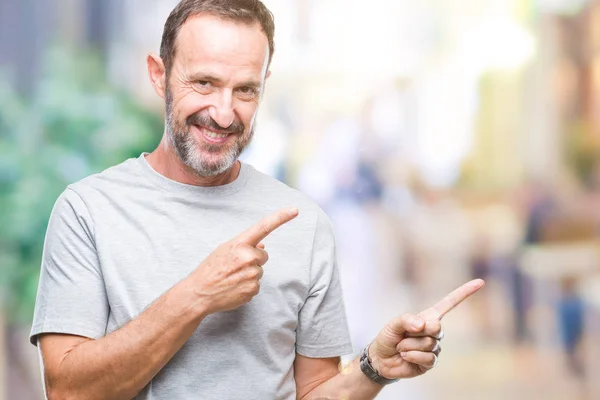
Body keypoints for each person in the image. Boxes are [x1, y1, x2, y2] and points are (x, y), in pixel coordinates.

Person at [30, 1, 484, 399]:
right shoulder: (87, 211)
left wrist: (373, 368)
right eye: (204, 83)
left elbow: (313, 394)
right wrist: (198, 295)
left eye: (245, 89)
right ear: (159, 75)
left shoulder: (302, 223)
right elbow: (69, 391)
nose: (224, 113)